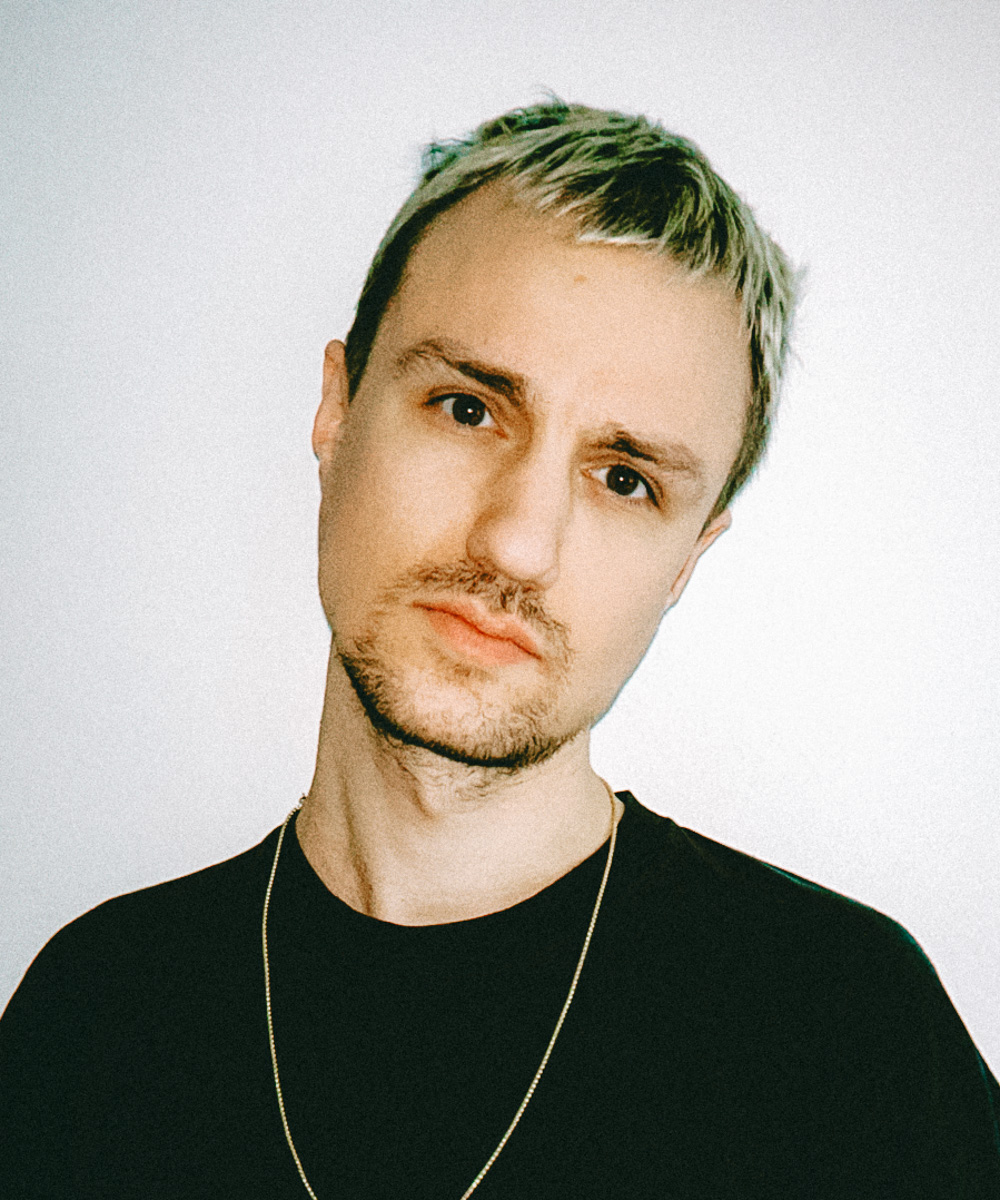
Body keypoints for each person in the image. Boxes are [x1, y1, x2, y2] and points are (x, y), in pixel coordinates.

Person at [1, 100, 997, 1200]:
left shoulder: (848, 1041)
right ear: (337, 412)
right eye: (468, 409)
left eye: (625, 479)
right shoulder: (93, 1018)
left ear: (687, 561)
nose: (518, 543)